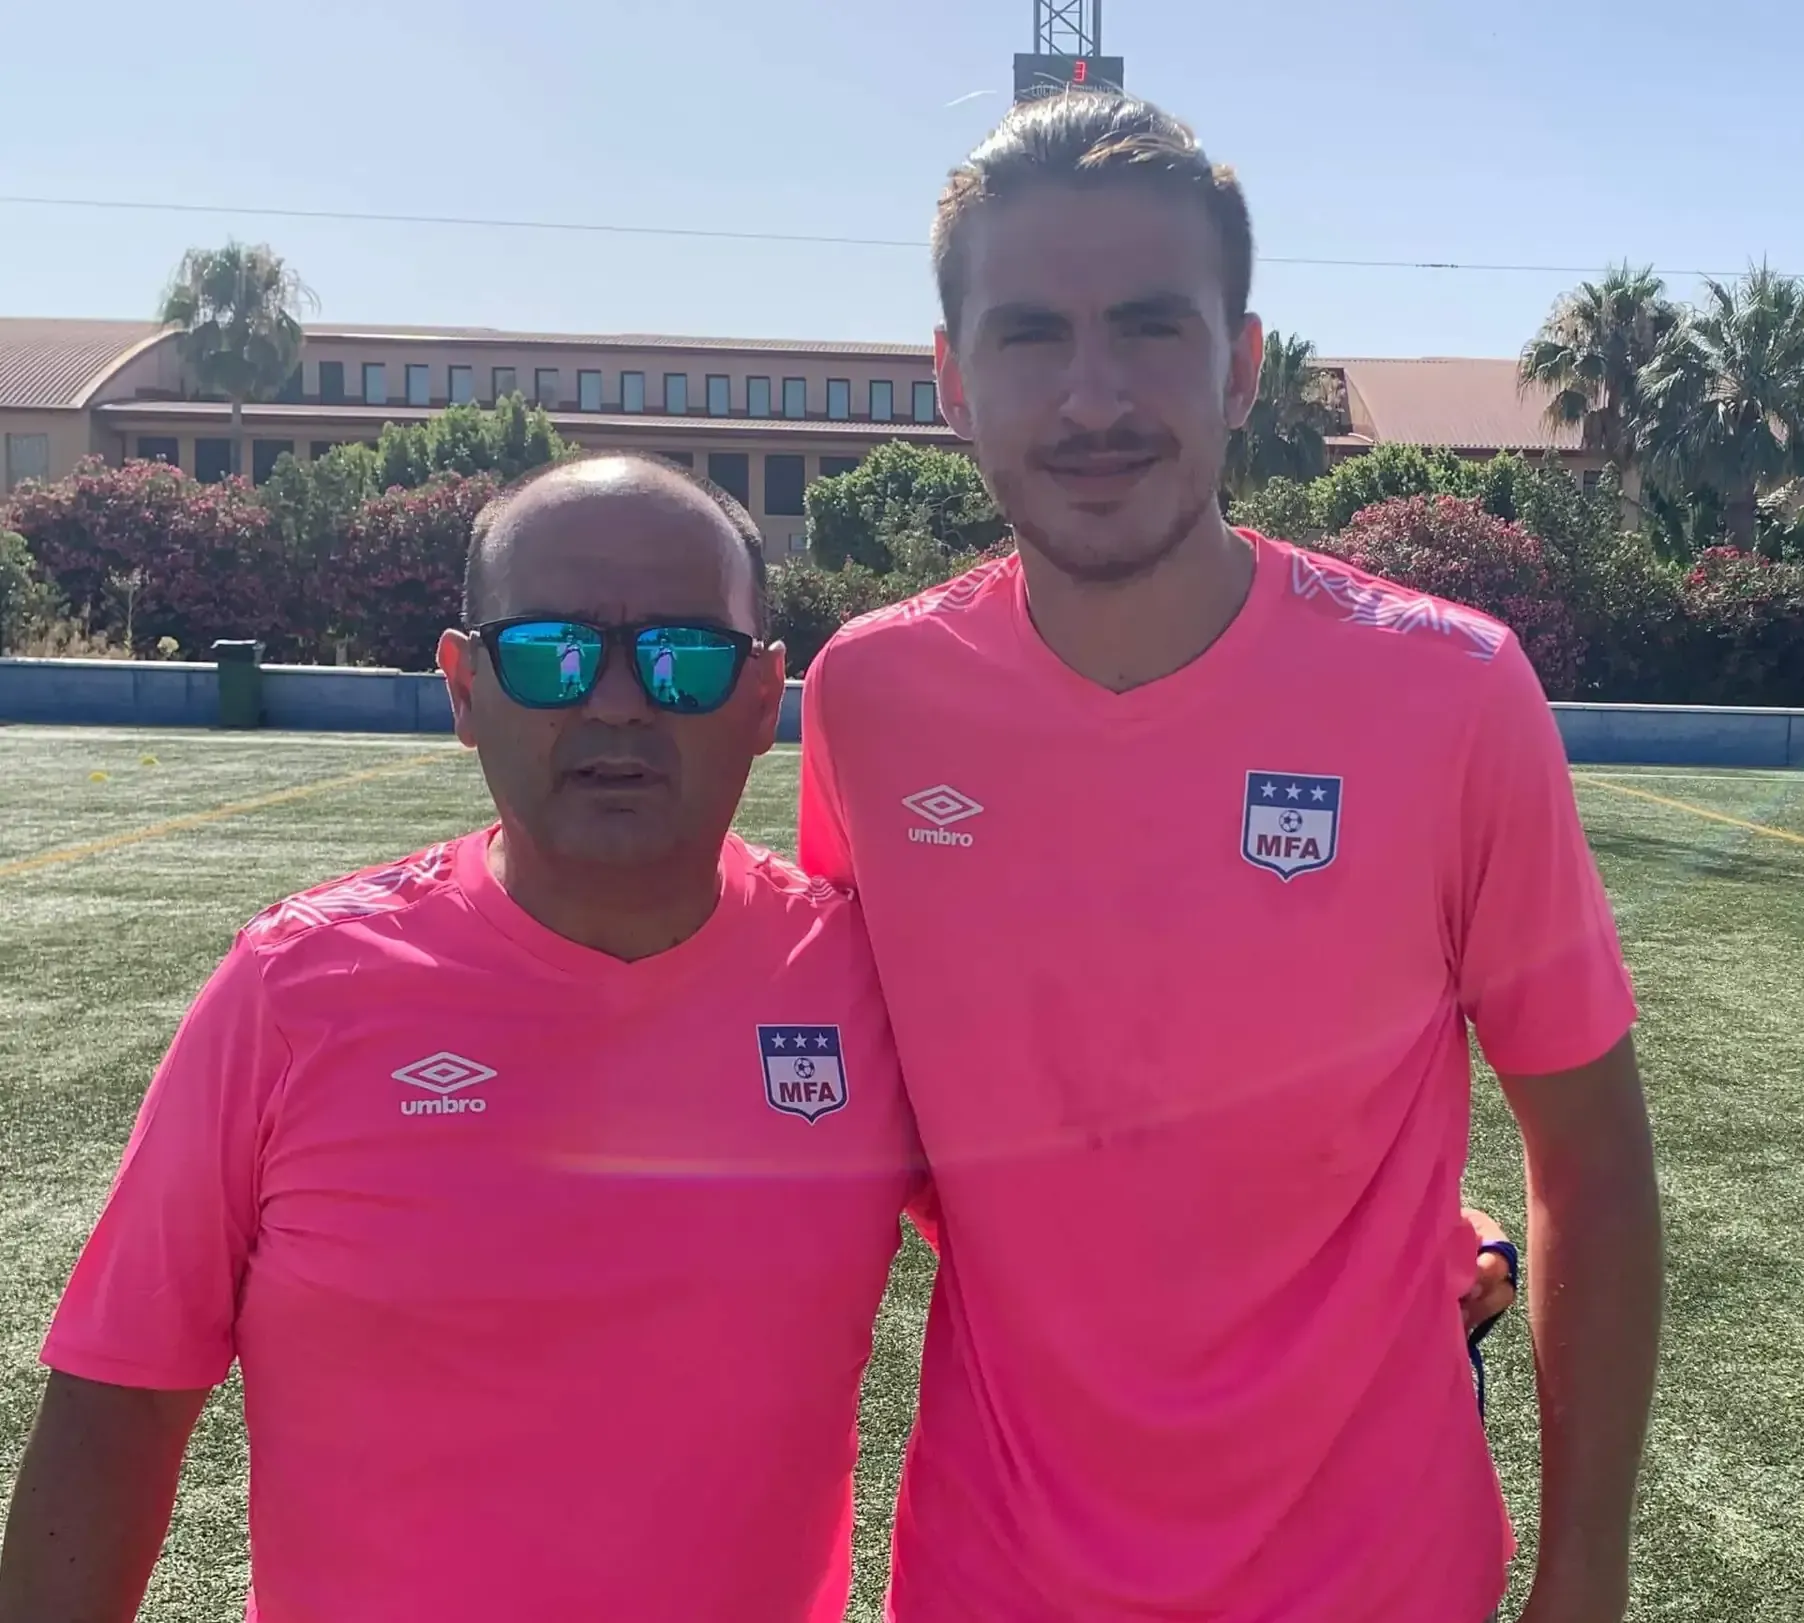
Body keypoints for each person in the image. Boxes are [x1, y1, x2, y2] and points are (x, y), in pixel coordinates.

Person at [798, 93, 1663, 1623]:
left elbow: (1588, 1159)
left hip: (1374, 1574)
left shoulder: (1452, 691)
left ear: (1241, 364)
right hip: (997, 1570)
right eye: (1028, 336)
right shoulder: (870, 701)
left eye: (1148, 327)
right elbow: (882, 1124)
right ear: (950, 378)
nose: (1091, 397)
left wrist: (1583, 1570)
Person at [0, 455, 918, 1623]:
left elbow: (1062, 1280)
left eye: (686, 657)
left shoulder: (864, 983)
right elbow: (117, 1400)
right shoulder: (296, 986)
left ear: (761, 694)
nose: (619, 703)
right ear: (464, 684)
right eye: (551, 654)